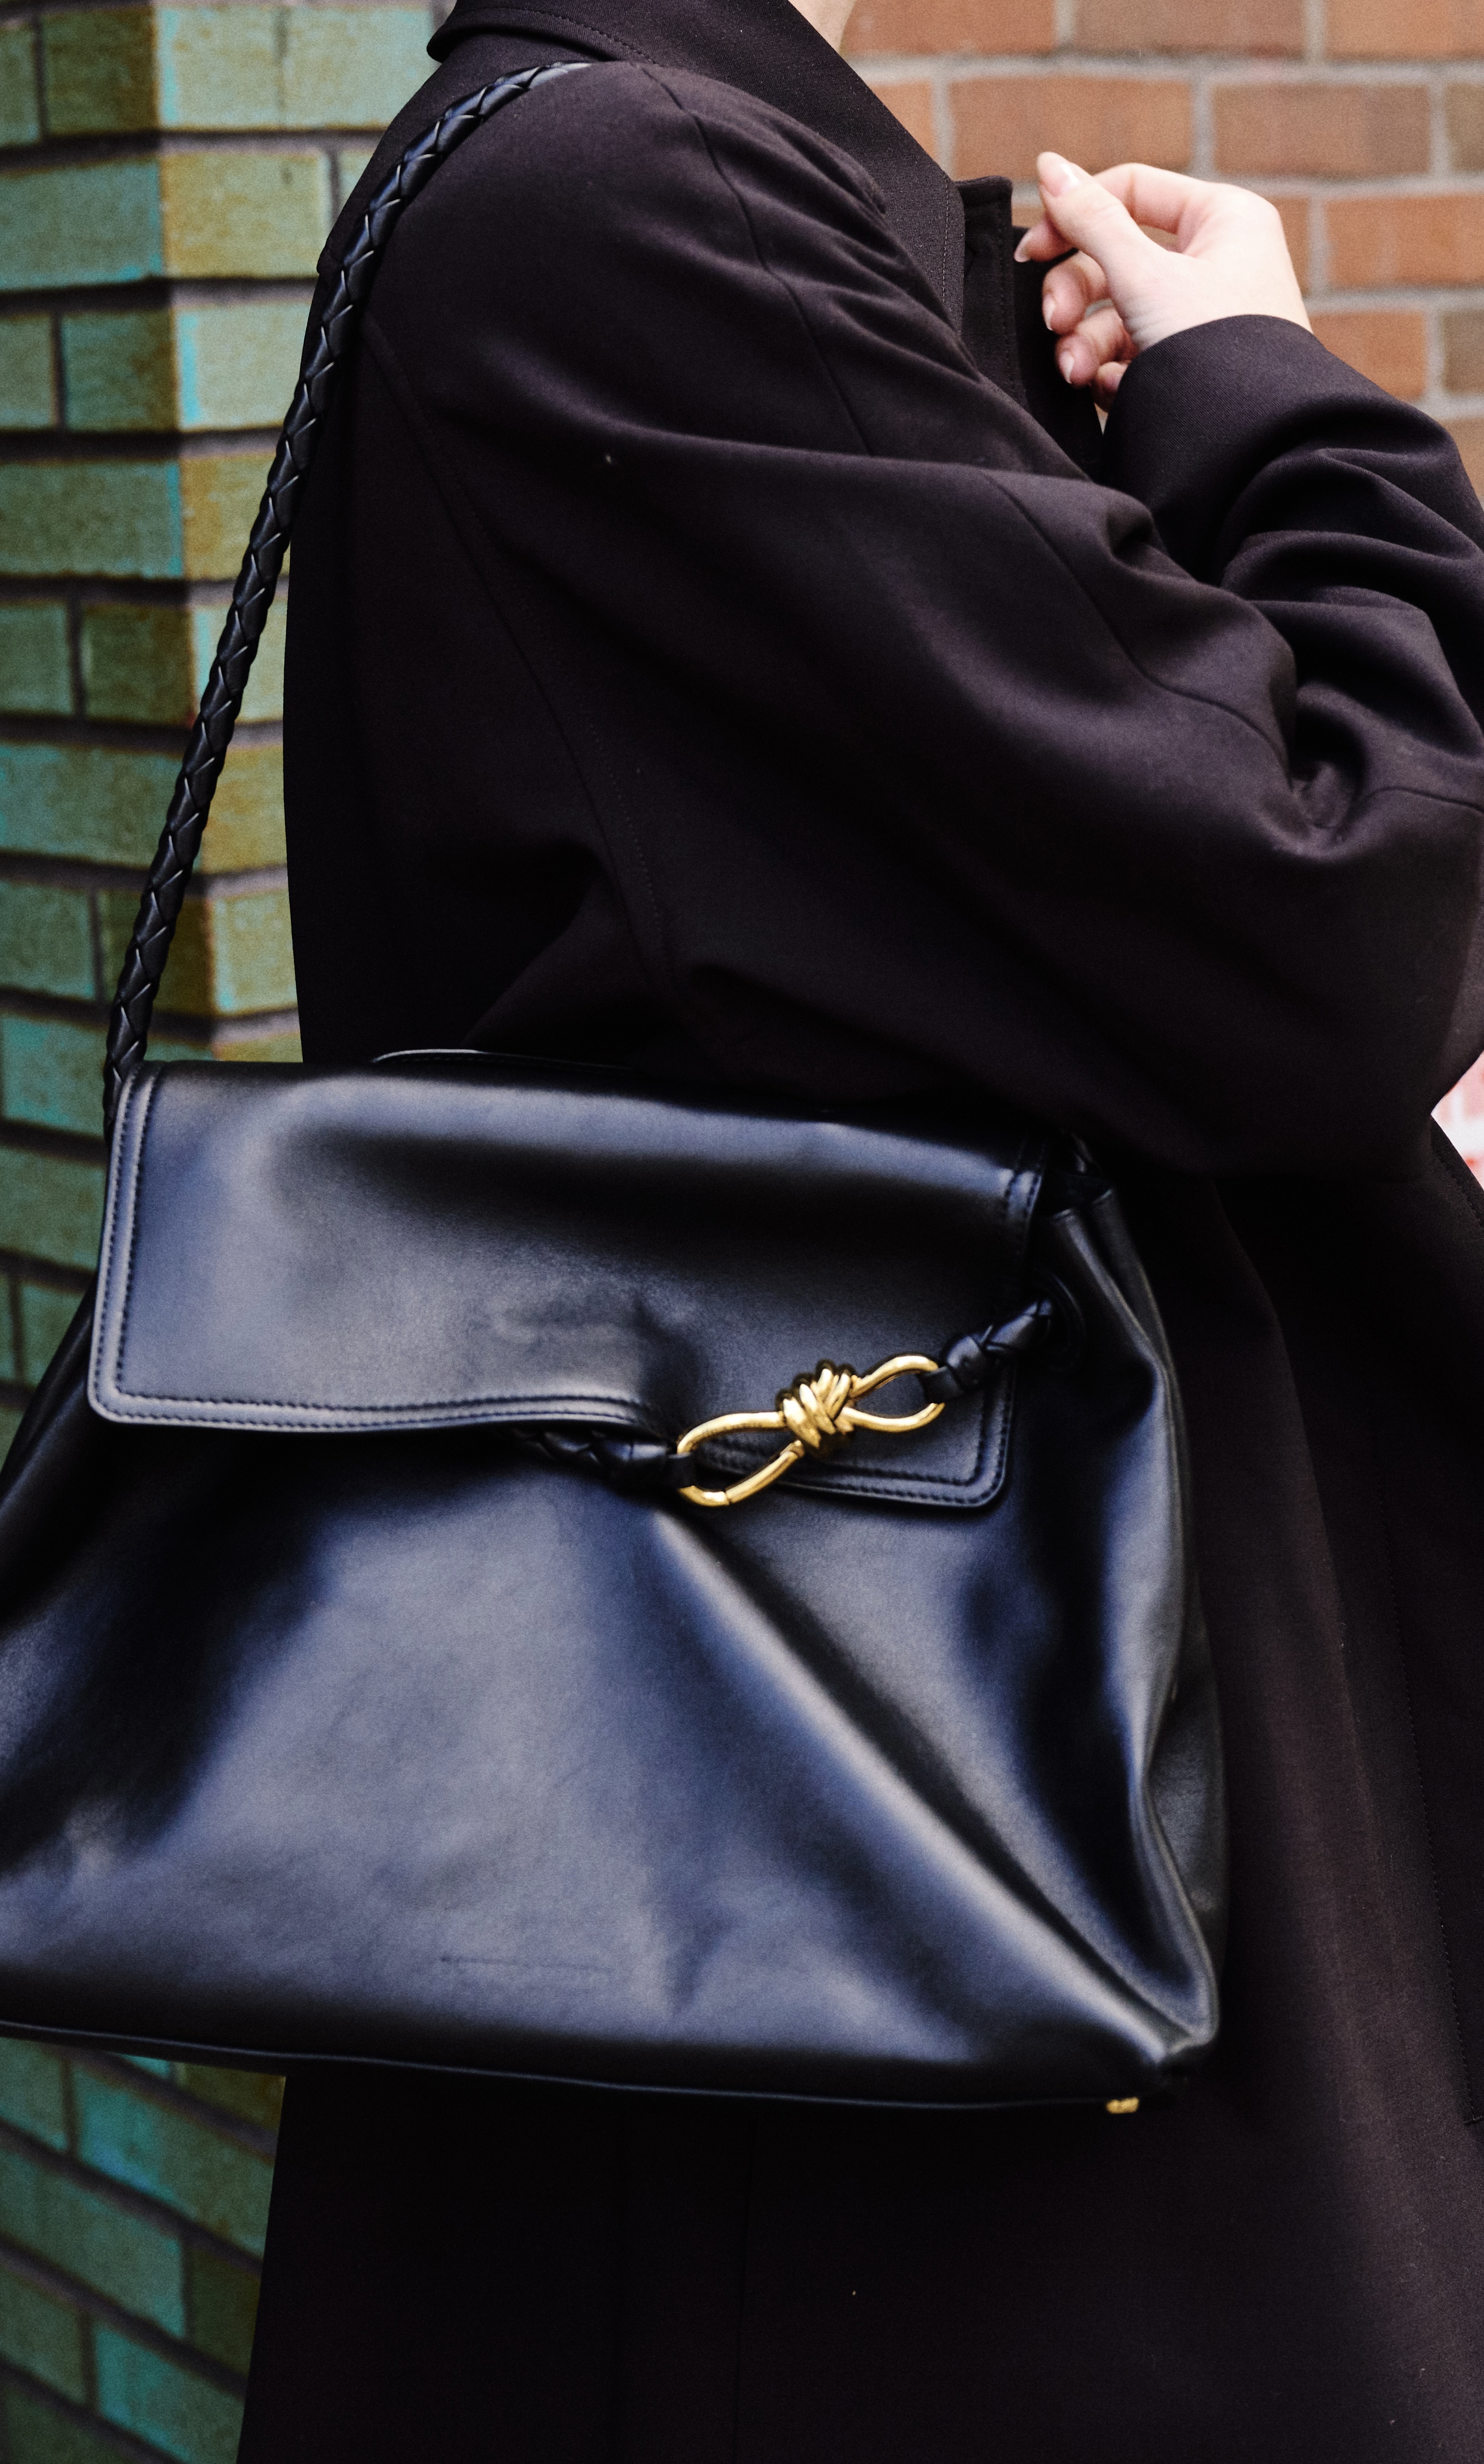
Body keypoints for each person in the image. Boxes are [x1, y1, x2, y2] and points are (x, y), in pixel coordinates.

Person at [236, 0, 1484, 2452]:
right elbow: (1334, 909)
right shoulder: (622, 206)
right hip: (927, 1840)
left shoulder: (621, 189)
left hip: (894, 1763)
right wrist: (1265, 387)